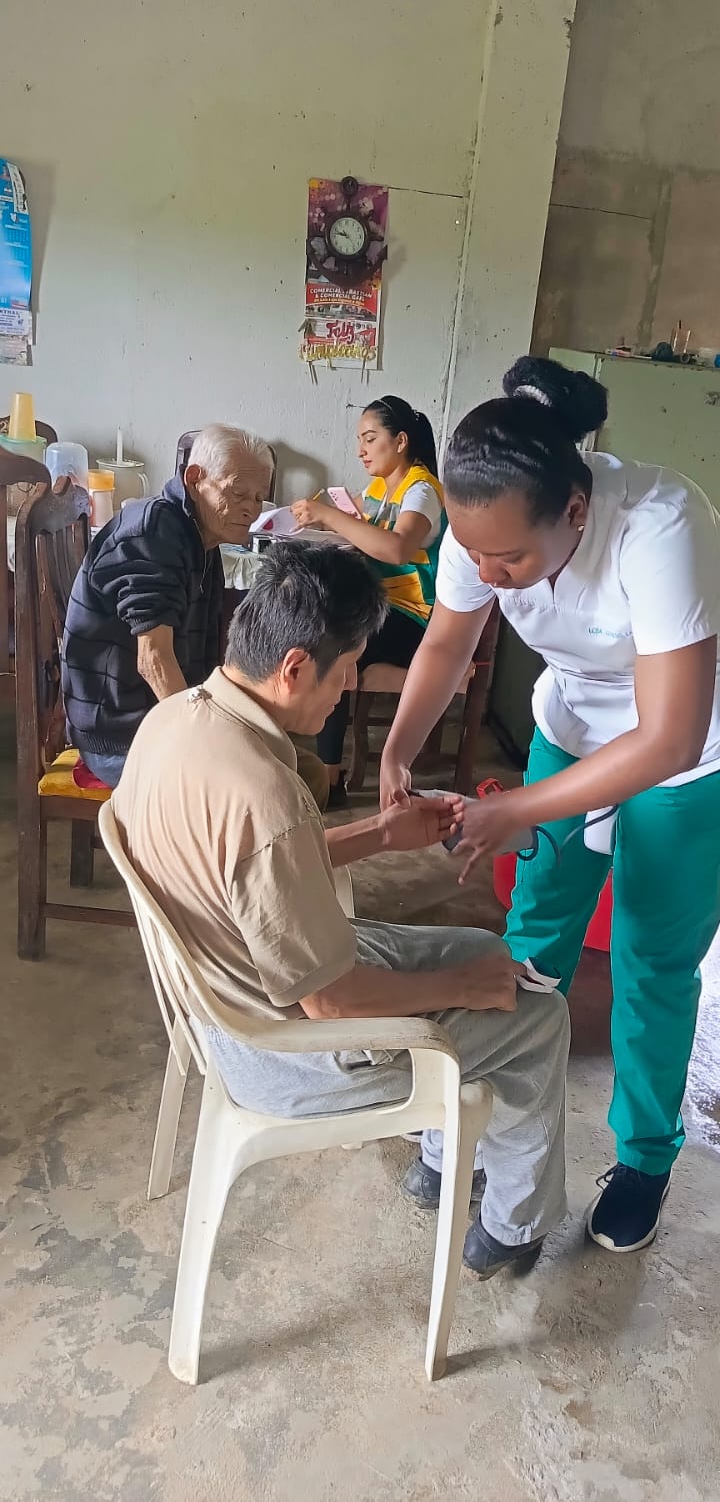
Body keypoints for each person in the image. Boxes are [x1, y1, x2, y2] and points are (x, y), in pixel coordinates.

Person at [112, 541, 570, 1279]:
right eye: (349, 666)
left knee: (480, 950)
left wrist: (381, 834)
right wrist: (464, 989)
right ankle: (512, 1228)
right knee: (536, 1013)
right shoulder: (265, 793)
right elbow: (331, 1002)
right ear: (295, 667)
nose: (351, 686)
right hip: (280, 1051)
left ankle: (441, 1161)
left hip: (230, 991)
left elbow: (252, 865)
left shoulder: (176, 720)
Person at [380, 355, 720, 1255]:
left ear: (575, 511)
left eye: (511, 560)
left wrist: (524, 806)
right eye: (475, 555)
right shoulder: (484, 524)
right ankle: (486, 1115)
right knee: (534, 935)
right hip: (572, 726)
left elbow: (670, 736)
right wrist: (397, 748)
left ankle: (643, 1160)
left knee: (652, 960)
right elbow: (447, 643)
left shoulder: (661, 524)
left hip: (689, 758)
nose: (489, 573)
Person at [62, 423, 328, 808]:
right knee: (277, 786)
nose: (251, 509)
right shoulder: (154, 532)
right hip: (122, 737)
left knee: (303, 768)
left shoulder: (202, 538)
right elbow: (153, 659)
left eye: (259, 498)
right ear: (195, 478)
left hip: (159, 719)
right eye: (238, 493)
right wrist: (202, 743)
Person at [290, 396, 446, 803]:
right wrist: (316, 519)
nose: (361, 449)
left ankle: (328, 779)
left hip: (413, 618)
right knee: (313, 625)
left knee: (333, 642)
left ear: (400, 442)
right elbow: (353, 528)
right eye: (360, 439)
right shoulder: (379, 487)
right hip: (379, 609)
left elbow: (397, 548)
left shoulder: (421, 490)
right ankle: (316, 763)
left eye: (370, 438)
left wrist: (329, 516)